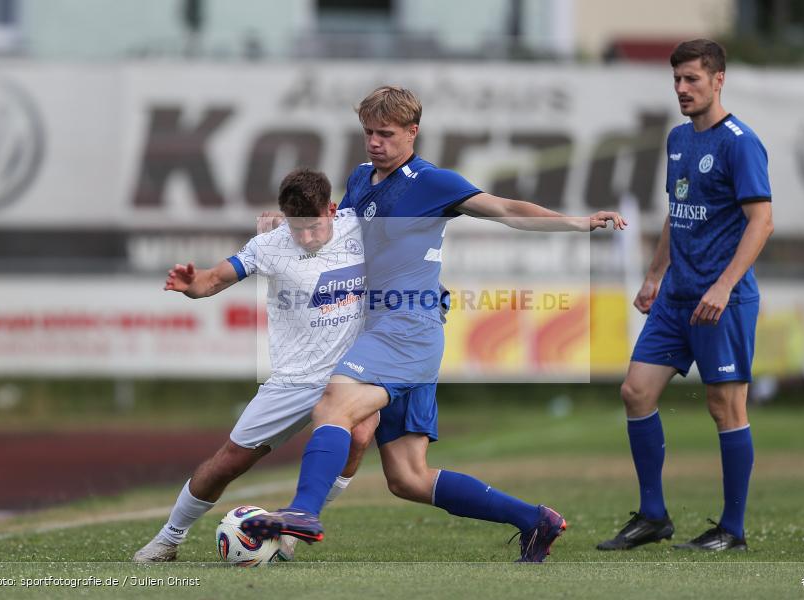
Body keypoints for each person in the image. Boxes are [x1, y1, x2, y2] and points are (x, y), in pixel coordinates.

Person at [241, 85, 627, 563]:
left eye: (386, 133)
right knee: (408, 478)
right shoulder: (361, 178)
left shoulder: (431, 181)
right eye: (368, 132)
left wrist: (578, 223)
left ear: (413, 132)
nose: (374, 142)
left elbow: (506, 209)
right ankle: (535, 521)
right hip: (381, 329)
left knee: (332, 405)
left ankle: (302, 513)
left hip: (407, 328)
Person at [133, 168, 378, 563]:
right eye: (298, 230)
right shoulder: (270, 245)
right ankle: (167, 539)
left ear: (332, 210)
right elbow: (213, 279)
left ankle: (298, 523)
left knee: (361, 434)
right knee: (228, 462)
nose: (307, 238)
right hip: (293, 379)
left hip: (349, 375)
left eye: (314, 227)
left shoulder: (358, 227)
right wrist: (191, 285)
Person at [596, 39, 774, 552]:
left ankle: (732, 530)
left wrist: (724, 285)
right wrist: (654, 274)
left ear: (718, 80)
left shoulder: (740, 142)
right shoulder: (678, 139)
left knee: (725, 408)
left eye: (692, 79)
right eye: (676, 79)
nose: (681, 89)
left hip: (723, 300)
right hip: (676, 297)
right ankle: (654, 516)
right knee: (635, 392)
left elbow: (761, 222)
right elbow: (681, 213)